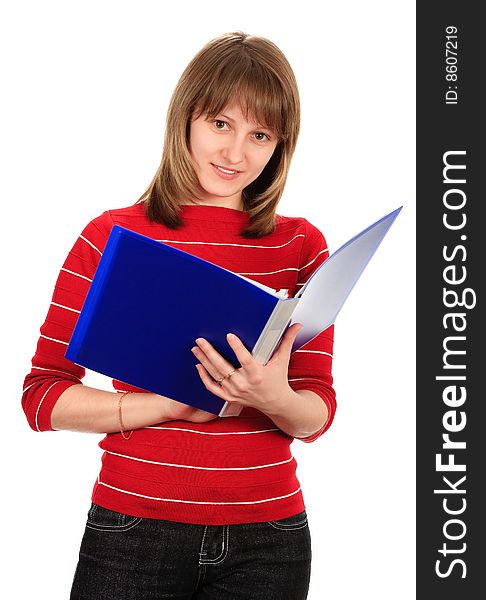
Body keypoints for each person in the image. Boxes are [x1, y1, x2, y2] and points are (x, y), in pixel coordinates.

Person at [22, 31, 336, 600]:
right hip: (132, 531)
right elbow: (42, 398)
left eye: (259, 134)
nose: (235, 154)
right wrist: (164, 405)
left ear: (279, 146)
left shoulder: (301, 247)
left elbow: (315, 413)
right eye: (220, 124)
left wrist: (271, 395)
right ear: (185, 119)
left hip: (269, 541)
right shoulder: (112, 237)